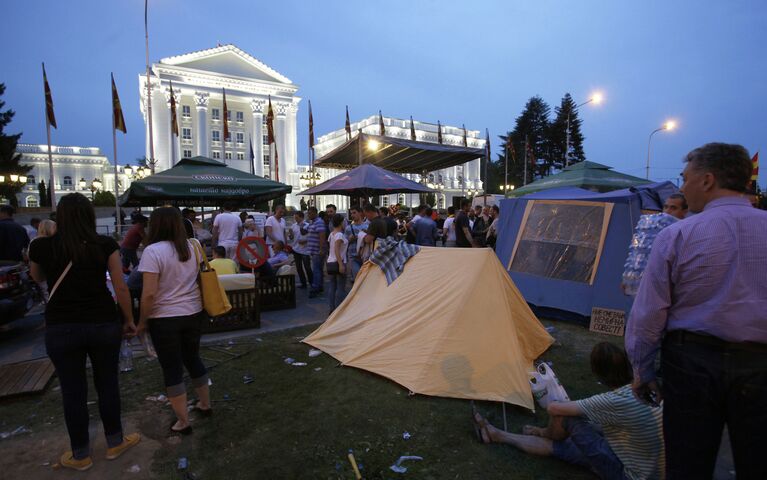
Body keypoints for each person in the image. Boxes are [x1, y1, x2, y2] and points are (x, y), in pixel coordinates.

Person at [626, 143, 767, 479]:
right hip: (760, 364)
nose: (682, 187)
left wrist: (642, 370)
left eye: (685, 178)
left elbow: (649, 314)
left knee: (688, 463)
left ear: (707, 180)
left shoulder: (679, 235)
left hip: (693, 363)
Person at [28, 193, 140, 471]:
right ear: (90, 216)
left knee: (72, 390)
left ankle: (80, 455)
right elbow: (121, 286)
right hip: (102, 322)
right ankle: (115, 441)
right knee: (107, 383)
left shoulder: (42, 246)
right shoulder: (104, 244)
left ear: (60, 217)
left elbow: (37, 277)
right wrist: (128, 319)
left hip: (61, 326)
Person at [474, 342, 664, 480]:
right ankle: (501, 434)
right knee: (583, 425)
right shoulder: (649, 391)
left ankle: (513, 435)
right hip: (658, 468)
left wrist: (558, 418)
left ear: (597, 372)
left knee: (566, 419)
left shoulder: (613, 401)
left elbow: (553, 408)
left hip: (629, 474)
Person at [136, 207, 212, 436]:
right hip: (193, 312)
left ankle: (183, 421)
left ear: (156, 225)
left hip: (164, 317)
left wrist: (142, 322)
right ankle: (205, 404)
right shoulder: (191, 247)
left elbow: (148, 293)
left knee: (172, 368)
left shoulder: (153, 251)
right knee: (193, 358)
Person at [326, 213, 348, 313]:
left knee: (332, 285)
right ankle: (339, 309)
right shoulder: (339, 235)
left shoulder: (332, 234)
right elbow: (336, 250)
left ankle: (332, 307)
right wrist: (341, 264)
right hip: (338, 262)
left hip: (330, 262)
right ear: (340, 222)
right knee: (340, 287)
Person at [306, 207, 326, 298]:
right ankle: (320, 286)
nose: (308, 215)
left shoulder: (319, 222)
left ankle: (315, 287)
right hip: (314, 250)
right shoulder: (313, 222)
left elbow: (322, 236)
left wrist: (321, 249)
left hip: (317, 251)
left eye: (309, 213)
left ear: (314, 213)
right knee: (319, 269)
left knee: (316, 270)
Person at [344, 206, 368, 281]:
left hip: (364, 256)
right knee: (357, 276)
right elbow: (344, 242)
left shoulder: (367, 226)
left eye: (354, 213)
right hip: (353, 256)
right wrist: (349, 239)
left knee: (365, 278)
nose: (352, 215)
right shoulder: (348, 228)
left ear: (360, 213)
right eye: (351, 213)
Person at [290, 211, 312, 289]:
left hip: (305, 250)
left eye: (297, 218)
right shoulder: (293, 226)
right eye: (295, 218)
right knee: (299, 268)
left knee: (307, 267)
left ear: (302, 217)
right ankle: (303, 283)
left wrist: (305, 241)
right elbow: (292, 237)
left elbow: (311, 236)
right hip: (296, 249)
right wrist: (291, 235)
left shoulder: (307, 226)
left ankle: (311, 282)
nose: (295, 219)